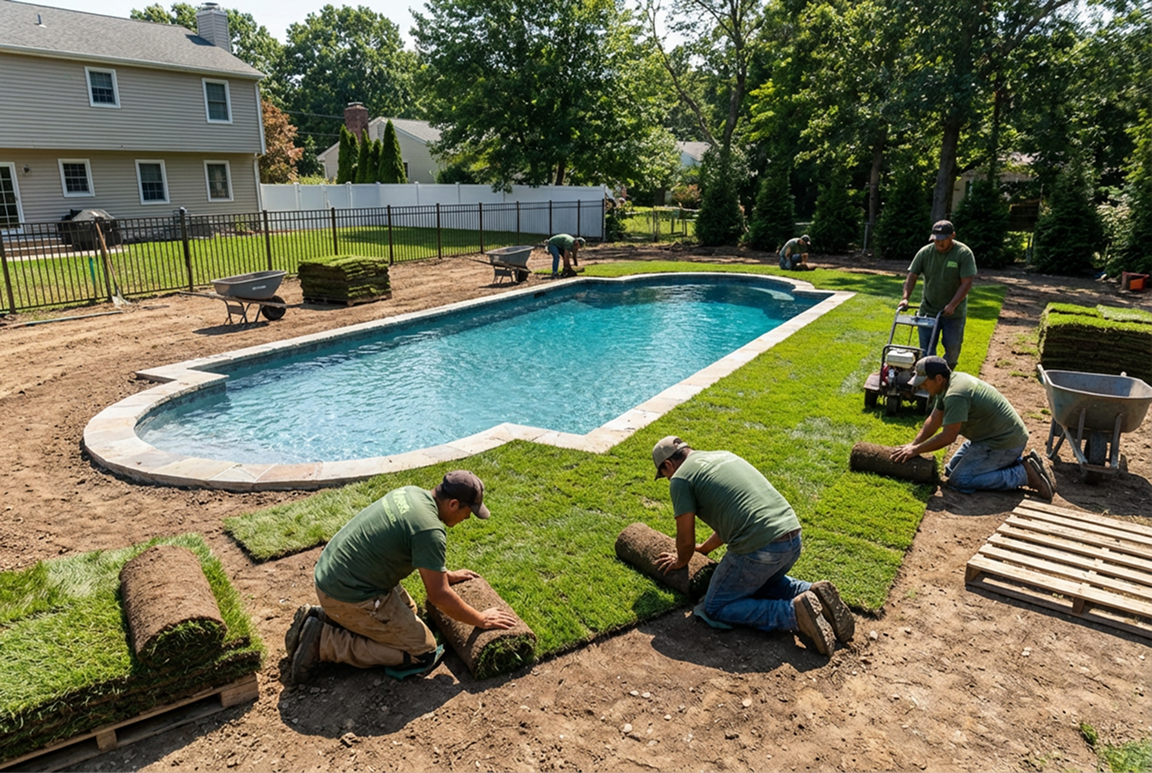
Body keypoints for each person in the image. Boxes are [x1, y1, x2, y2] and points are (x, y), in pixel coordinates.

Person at [284, 470, 517, 685]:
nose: (468, 519)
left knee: (411, 611)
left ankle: (324, 617)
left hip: (334, 574)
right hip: (349, 593)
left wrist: (444, 574)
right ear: (454, 504)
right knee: (421, 652)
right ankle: (323, 642)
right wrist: (481, 619)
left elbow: (405, 543)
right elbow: (438, 595)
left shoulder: (411, 493)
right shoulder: (430, 531)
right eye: (469, 513)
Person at [650, 436, 855, 657]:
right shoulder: (723, 455)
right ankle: (811, 592)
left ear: (668, 465)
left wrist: (682, 560)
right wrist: (706, 549)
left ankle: (794, 614)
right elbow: (733, 516)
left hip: (762, 550)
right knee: (755, 582)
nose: (667, 477)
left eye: (663, 474)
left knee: (716, 606)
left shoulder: (680, 478)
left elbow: (685, 536)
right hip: (792, 539)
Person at [892, 357, 1055, 499]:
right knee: (950, 471)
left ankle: (1023, 474)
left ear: (939, 378)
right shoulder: (949, 384)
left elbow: (948, 436)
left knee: (960, 480)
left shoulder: (956, 395)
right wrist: (913, 445)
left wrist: (916, 450)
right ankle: (1017, 463)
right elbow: (934, 419)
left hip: (1003, 443)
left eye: (924, 382)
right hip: (989, 438)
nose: (922, 387)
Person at [898, 220, 977, 368]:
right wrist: (905, 298)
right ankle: (930, 379)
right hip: (928, 310)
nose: (939, 244)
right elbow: (912, 275)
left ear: (952, 236)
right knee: (927, 351)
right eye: (936, 240)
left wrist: (953, 305)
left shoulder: (963, 254)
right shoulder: (925, 252)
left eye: (943, 240)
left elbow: (967, 283)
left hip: (954, 313)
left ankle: (946, 376)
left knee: (952, 350)